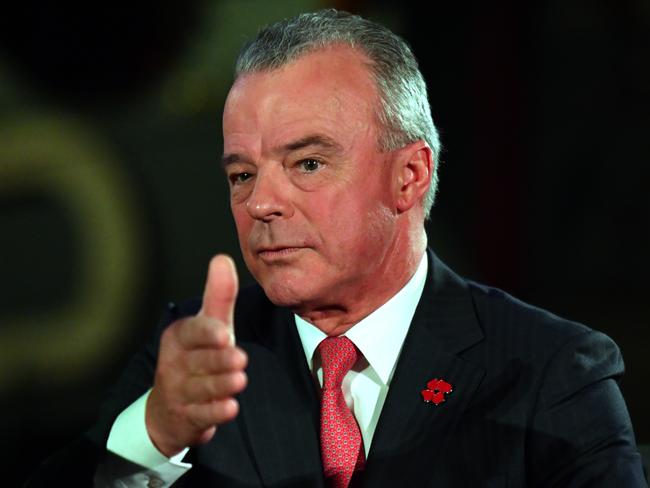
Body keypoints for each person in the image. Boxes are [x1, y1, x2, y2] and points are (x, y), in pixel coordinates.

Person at [27, 9, 646, 488]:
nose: (261, 203)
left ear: (409, 176)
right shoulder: (196, 360)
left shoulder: (549, 373)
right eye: (242, 174)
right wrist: (156, 431)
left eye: (308, 162)